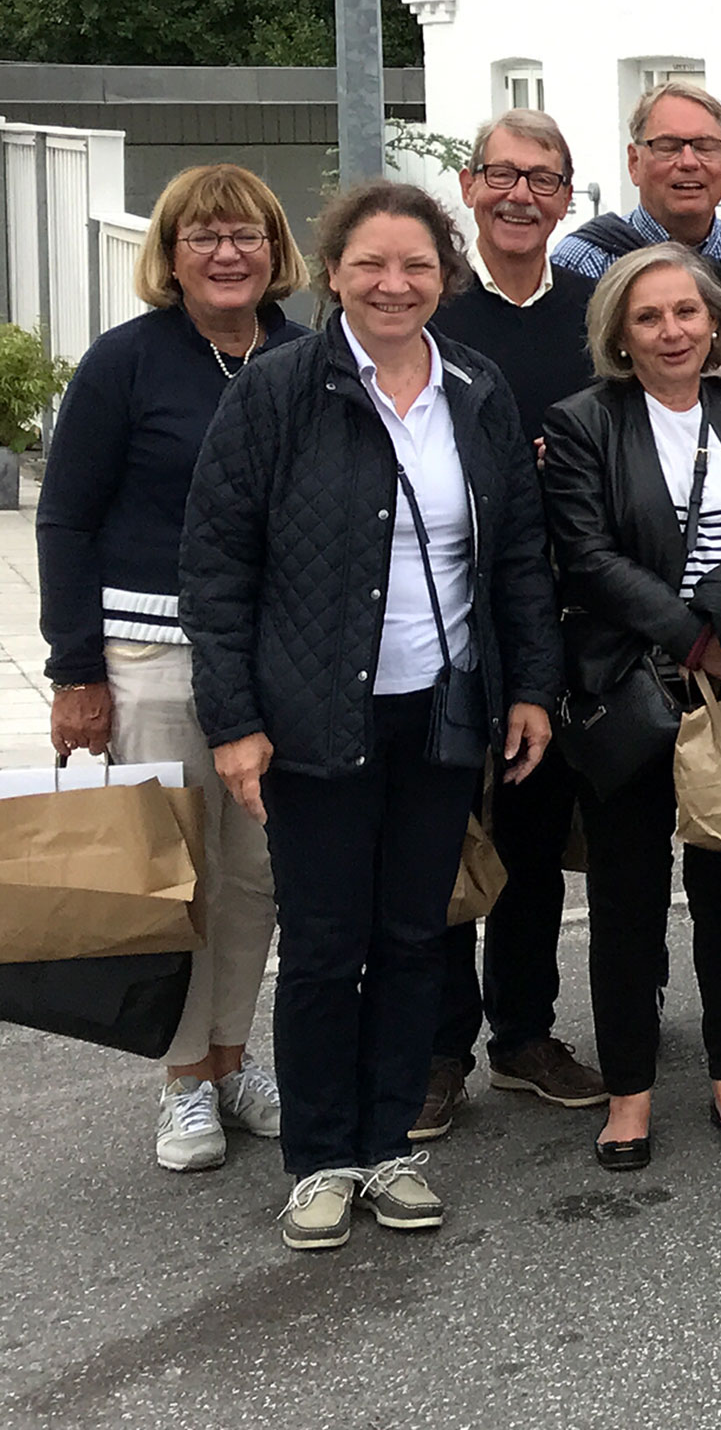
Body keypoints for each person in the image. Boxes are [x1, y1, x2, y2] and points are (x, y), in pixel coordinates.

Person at [181, 182, 561, 1253]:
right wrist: (235, 718)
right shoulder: (276, 389)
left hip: (441, 709)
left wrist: (527, 684)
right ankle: (319, 1156)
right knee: (323, 943)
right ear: (335, 270)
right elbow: (217, 565)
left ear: (445, 278)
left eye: (418, 267)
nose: (395, 284)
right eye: (372, 264)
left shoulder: (477, 387)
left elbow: (519, 555)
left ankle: (389, 1141)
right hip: (311, 715)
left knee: (413, 935)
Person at [39, 165, 306, 1175]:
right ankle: (184, 1076)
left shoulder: (307, 354)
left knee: (255, 874)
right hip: (154, 653)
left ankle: (236, 1056)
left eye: (244, 234)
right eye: (204, 237)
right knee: (178, 876)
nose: (227, 253)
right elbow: (64, 516)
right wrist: (77, 671)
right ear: (171, 254)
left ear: (276, 249)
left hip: (279, 654)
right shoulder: (127, 362)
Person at [541, 246, 721, 1170]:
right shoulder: (583, 422)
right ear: (620, 332)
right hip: (629, 688)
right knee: (626, 902)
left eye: (687, 314)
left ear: (714, 322)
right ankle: (629, 1097)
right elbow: (584, 554)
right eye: (650, 317)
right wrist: (693, 635)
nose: (672, 332)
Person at [420, 112, 606, 1136]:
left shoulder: (596, 311)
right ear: (470, 184)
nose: (520, 194)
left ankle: (524, 1034)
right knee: (445, 838)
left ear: (567, 198)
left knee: (536, 841)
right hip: (443, 614)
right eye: (502, 174)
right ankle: (438, 1047)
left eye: (542, 178)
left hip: (565, 617)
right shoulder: (425, 307)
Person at [551, 77, 721, 306]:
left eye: (705, 146)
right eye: (668, 147)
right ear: (634, 162)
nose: (689, 162)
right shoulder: (582, 262)